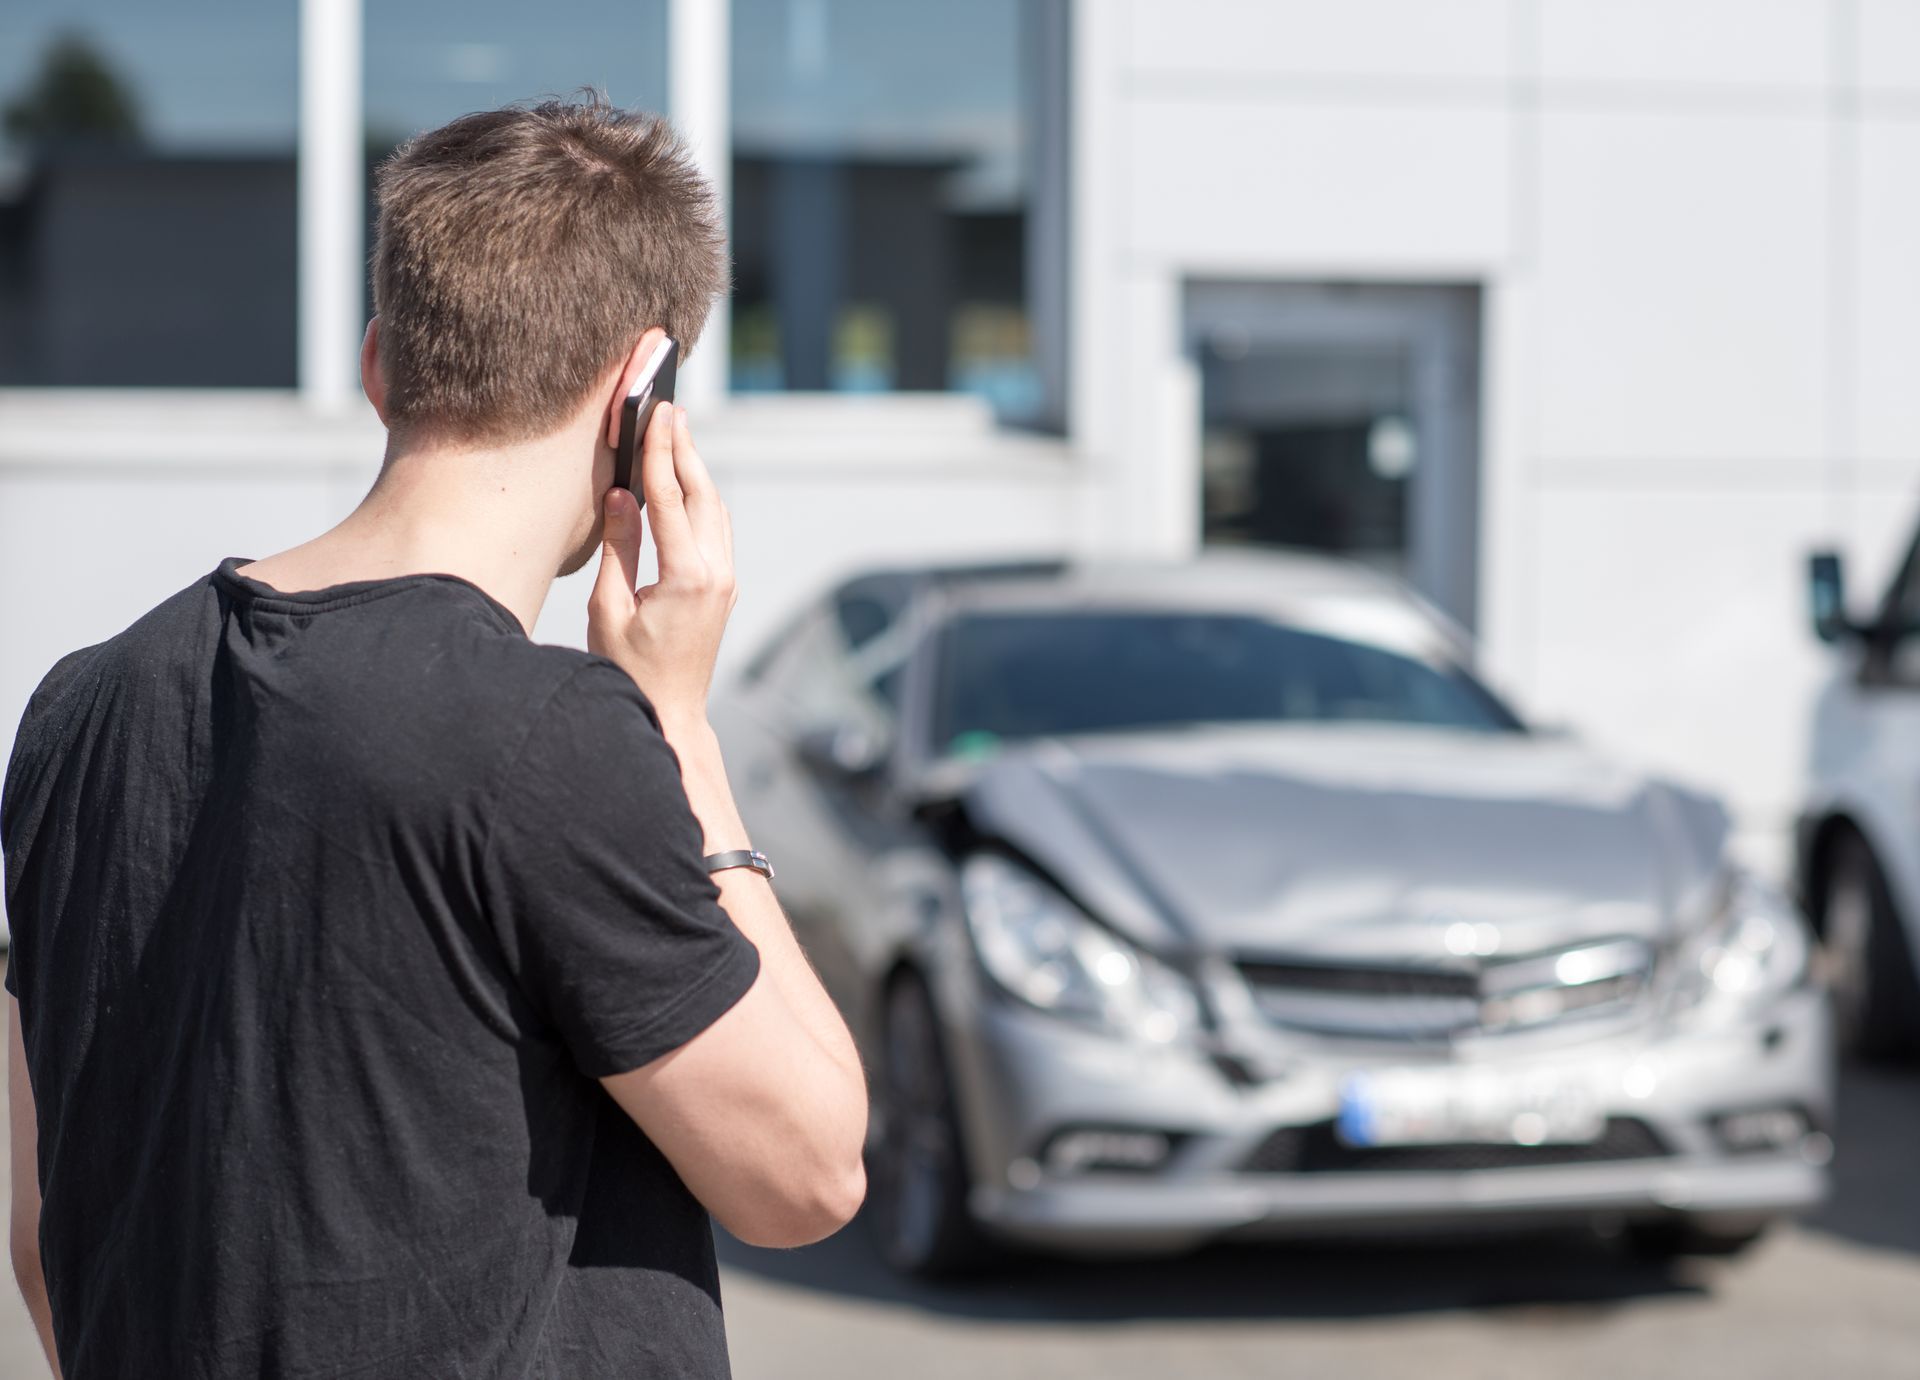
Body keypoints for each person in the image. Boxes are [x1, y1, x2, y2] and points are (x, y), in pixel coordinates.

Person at [2, 98, 867, 1379]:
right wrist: (679, 727)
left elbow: (47, 1230)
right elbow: (808, 1173)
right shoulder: (547, 732)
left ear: (377, 366)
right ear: (643, 391)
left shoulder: (77, 709)